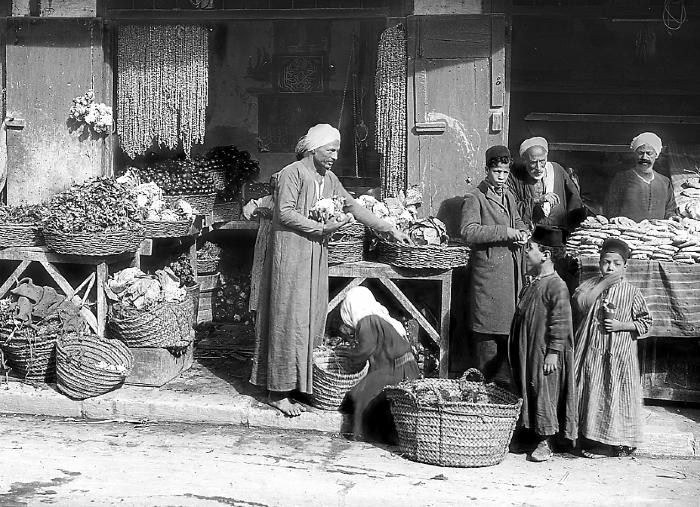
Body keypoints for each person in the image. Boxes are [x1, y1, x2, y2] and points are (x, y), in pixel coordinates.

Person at [250, 123, 412, 417]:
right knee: (289, 317)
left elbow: (352, 207)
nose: (335, 155)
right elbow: (284, 212)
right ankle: (277, 390)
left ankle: (300, 384)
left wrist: (388, 228)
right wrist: (322, 228)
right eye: (330, 149)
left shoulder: (328, 178)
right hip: (291, 255)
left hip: (315, 255)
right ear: (314, 148)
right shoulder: (292, 173)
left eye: (337, 150)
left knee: (311, 317)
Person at [572, 238, 652, 458]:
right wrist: (603, 285)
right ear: (599, 263)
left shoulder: (632, 292)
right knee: (590, 390)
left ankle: (610, 444)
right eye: (606, 262)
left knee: (613, 394)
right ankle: (588, 437)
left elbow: (645, 322)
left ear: (625, 267)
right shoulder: (591, 285)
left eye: (617, 264)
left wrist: (622, 325)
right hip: (590, 351)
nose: (610, 268)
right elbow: (581, 304)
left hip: (617, 355)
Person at [460, 145, 528, 389]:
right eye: (496, 171)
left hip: (509, 276)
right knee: (487, 336)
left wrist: (521, 231)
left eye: (505, 172)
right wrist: (505, 232)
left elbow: (517, 220)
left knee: (507, 338)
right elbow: (469, 231)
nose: (501, 176)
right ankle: (482, 392)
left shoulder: (508, 195)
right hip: (488, 278)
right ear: (486, 170)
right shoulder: (475, 197)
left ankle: (501, 392)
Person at [509, 225, 578, 462]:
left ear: (546, 255)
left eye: (530, 248)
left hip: (544, 352)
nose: (526, 253)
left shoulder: (556, 285)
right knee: (530, 389)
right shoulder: (534, 281)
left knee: (544, 391)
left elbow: (561, 322)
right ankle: (530, 434)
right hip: (529, 351)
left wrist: (553, 352)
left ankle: (546, 441)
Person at [338, 286, 421, 443]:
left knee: (363, 396)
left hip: (394, 370)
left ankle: (367, 434)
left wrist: (348, 354)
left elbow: (365, 349)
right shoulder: (380, 318)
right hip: (404, 367)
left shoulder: (367, 321)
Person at [508, 136, 585, 231]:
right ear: (524, 160)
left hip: (558, 234)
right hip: (529, 235)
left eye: (542, 161)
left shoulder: (557, 170)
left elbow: (574, 200)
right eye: (533, 162)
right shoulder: (514, 177)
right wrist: (537, 200)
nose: (538, 167)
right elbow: (511, 207)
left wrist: (577, 227)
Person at [604, 132, 678, 221]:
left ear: (656, 155)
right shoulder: (622, 178)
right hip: (628, 232)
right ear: (634, 154)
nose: (644, 157)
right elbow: (610, 209)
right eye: (640, 153)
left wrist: (672, 217)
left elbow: (670, 209)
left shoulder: (665, 182)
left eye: (649, 153)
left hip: (656, 233)